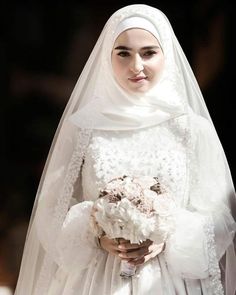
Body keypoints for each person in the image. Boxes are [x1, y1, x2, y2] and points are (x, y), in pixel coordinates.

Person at [14, 4, 236, 295]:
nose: (136, 66)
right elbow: (50, 210)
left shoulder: (192, 129)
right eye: (123, 53)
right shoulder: (83, 127)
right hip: (95, 279)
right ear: (107, 56)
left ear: (165, 54)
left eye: (148, 53)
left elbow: (220, 213)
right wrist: (96, 234)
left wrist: (165, 236)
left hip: (170, 279)